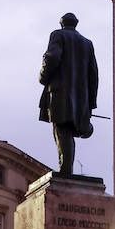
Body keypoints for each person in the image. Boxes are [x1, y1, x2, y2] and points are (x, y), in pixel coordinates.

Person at [38, 12, 98, 176]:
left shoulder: (57, 35)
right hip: (81, 98)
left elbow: (52, 57)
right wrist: (90, 104)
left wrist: (43, 77)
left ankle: (65, 171)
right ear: (75, 24)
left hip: (59, 92)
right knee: (68, 131)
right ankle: (66, 169)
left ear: (62, 24)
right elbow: (93, 75)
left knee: (61, 129)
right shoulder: (87, 43)